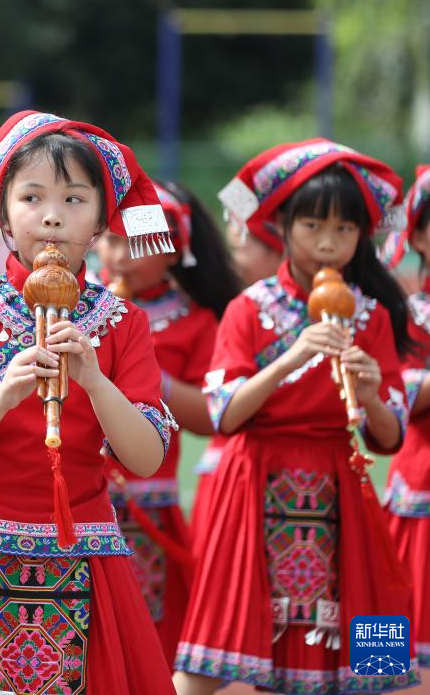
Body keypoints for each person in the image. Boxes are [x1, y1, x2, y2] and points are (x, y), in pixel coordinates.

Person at [0, 110, 179, 694]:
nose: (53, 215)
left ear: (103, 220)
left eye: (75, 199)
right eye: (32, 197)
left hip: (84, 546)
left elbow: (146, 457)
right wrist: (2, 396)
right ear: (1, 215)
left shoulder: (124, 324)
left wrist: (96, 382)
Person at [173, 140, 419, 694]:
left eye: (346, 230)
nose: (329, 244)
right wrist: (296, 354)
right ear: (282, 225)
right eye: (312, 226)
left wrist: (373, 395)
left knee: (369, 649)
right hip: (254, 482)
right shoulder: (248, 308)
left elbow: (388, 437)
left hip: (341, 483)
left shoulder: (375, 315)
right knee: (212, 651)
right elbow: (224, 414)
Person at [96, 179, 240, 665]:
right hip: (79, 496)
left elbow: (209, 417)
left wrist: (151, 377)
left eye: (136, 243)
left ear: (174, 251)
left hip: (147, 503)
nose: (120, 256)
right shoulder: (71, 304)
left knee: (148, 639)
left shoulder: (198, 321)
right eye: (112, 239)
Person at [189, 216, 283, 560]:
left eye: (241, 248)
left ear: (280, 251)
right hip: (236, 467)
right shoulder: (239, 307)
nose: (233, 259)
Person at [384, 165, 430, 678]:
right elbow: (402, 394)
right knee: (389, 659)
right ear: (416, 234)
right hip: (417, 503)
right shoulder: (405, 313)